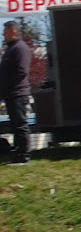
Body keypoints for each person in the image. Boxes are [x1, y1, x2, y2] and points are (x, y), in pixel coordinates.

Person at [0, 20, 32, 166]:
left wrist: (7, 86)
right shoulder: (10, 49)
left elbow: (21, 72)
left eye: (5, 31)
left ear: (13, 31)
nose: (3, 34)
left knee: (20, 125)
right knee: (15, 125)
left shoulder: (20, 48)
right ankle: (17, 153)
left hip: (18, 93)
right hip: (10, 94)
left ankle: (23, 156)